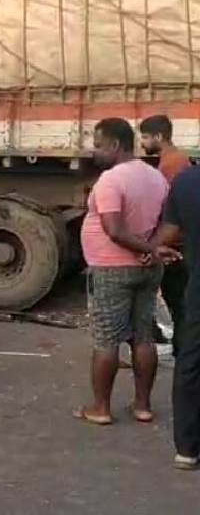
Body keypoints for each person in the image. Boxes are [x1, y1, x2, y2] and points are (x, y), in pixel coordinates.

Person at [74, 118, 168, 426]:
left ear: (115, 145)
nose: (95, 151)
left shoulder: (111, 180)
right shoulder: (156, 177)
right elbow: (165, 222)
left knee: (106, 339)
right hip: (148, 270)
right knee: (143, 336)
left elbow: (113, 229)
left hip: (112, 268)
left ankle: (100, 408)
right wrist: (152, 249)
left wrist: (144, 249)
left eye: (99, 145)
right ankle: (142, 406)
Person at [150, 165, 200, 470]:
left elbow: (167, 235)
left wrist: (155, 249)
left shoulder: (187, 181)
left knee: (191, 361)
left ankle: (187, 449)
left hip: (198, 290)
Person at [140, 114, 192, 354]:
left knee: (179, 303)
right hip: (180, 243)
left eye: (146, 137)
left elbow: (173, 211)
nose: (143, 142)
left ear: (159, 137)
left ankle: (182, 351)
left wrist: (154, 246)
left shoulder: (170, 165)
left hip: (176, 245)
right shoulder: (176, 160)